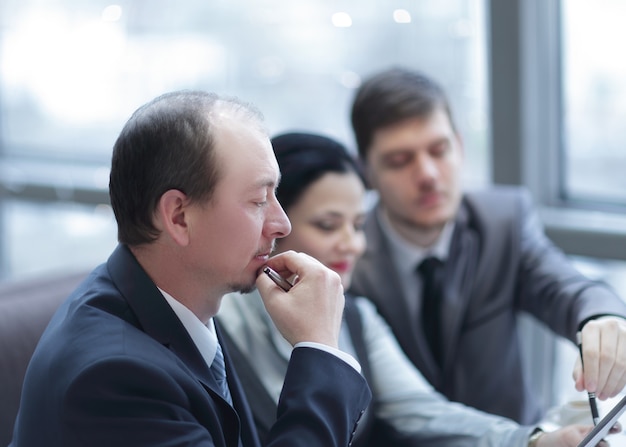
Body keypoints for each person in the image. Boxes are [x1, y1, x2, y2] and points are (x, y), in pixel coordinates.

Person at [9, 91, 371, 447]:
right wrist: (320, 349)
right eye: (259, 200)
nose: (282, 224)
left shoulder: (180, 304)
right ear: (179, 217)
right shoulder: (115, 377)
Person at [216, 131, 614, 447]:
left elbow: (425, 414)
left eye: (357, 226)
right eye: (327, 225)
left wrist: (539, 441)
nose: (353, 244)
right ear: (275, 226)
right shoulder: (215, 326)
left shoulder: (356, 316)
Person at [348, 66, 626, 425]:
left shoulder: (502, 221)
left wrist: (602, 317)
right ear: (366, 171)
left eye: (439, 149)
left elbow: (565, 288)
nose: (428, 174)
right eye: (400, 161)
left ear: (460, 146)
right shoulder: (348, 254)